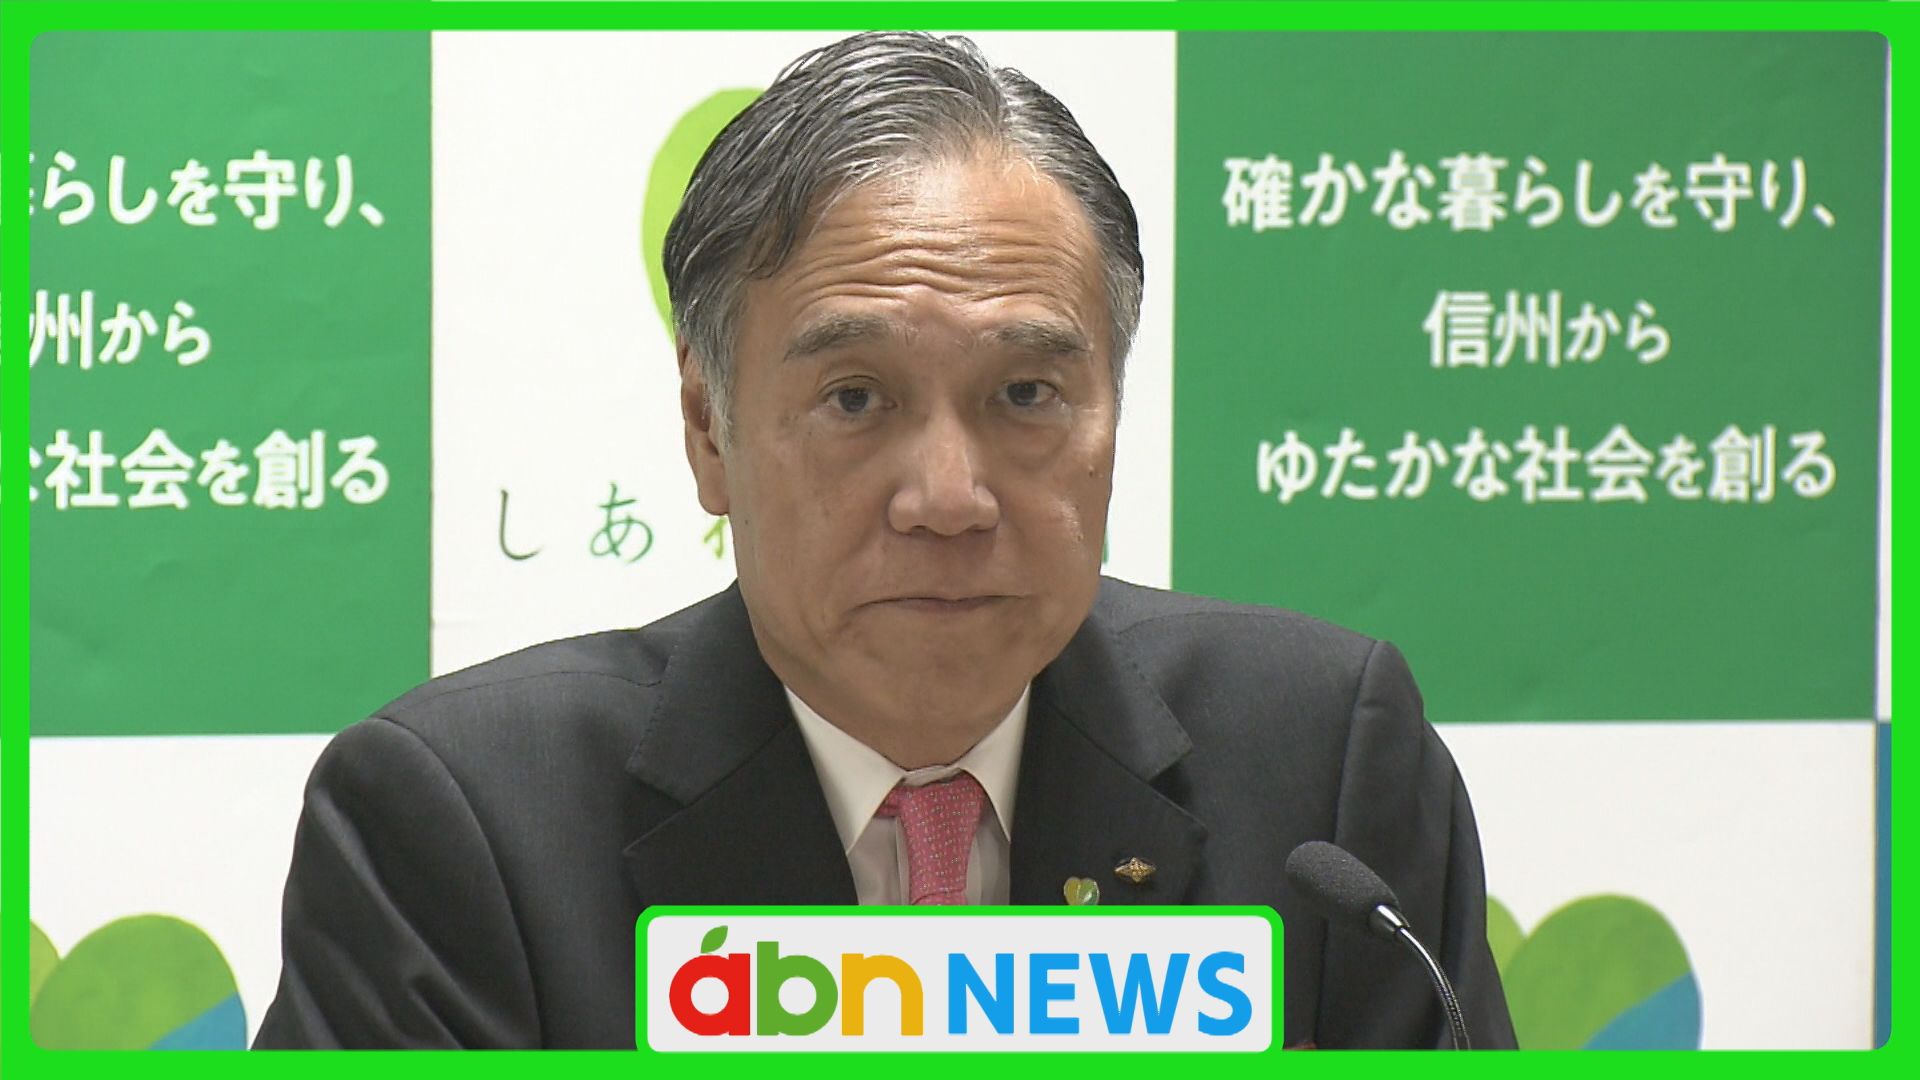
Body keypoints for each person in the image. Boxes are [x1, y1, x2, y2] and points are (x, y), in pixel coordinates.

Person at [254, 31, 1515, 1050]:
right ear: (709, 430)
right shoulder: (464, 823)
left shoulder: (1323, 763)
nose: (948, 498)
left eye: (1026, 394)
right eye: (856, 398)